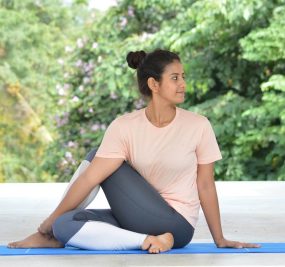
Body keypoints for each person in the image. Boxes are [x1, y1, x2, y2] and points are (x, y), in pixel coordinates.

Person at [8, 49, 260, 254]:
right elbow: (88, 179)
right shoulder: (125, 126)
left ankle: (162, 237)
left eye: (183, 76)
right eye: (175, 78)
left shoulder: (198, 125)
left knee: (98, 158)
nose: (183, 83)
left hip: (177, 224)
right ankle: (145, 240)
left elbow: (205, 185)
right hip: (136, 218)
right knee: (65, 224)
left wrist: (220, 239)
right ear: (154, 84)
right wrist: (54, 220)